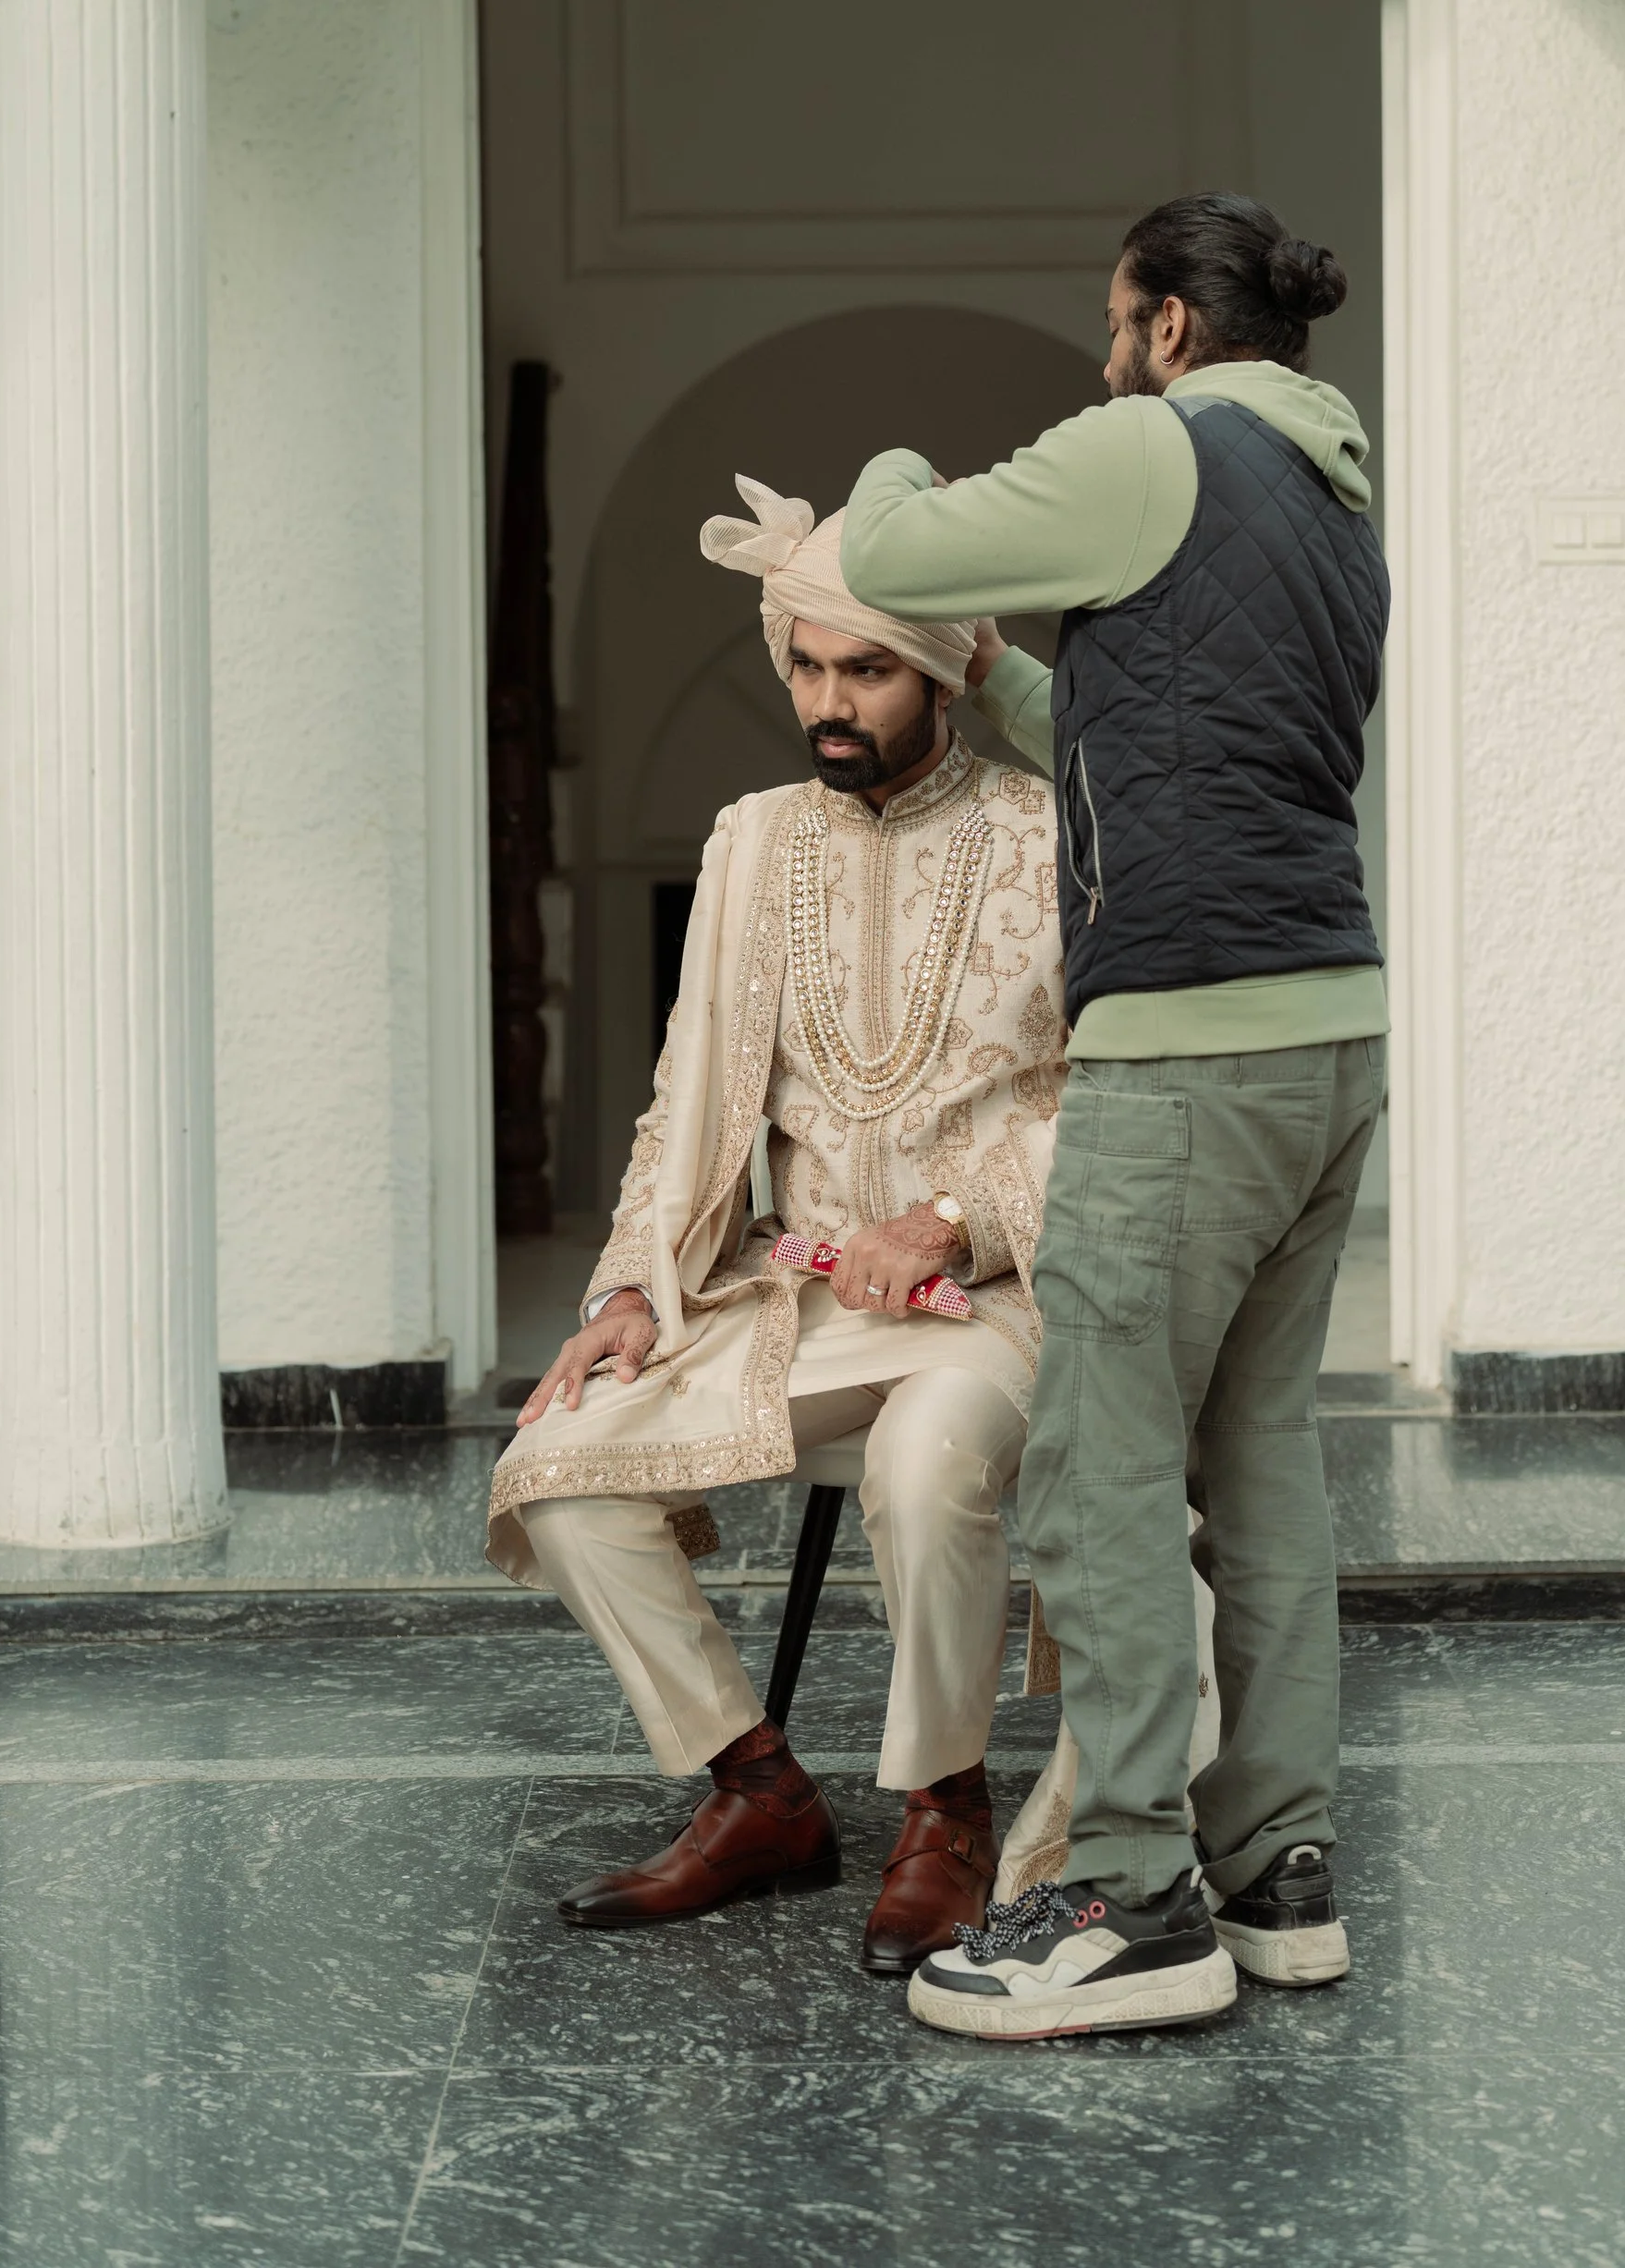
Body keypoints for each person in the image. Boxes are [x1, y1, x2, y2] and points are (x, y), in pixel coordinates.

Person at [839, 192, 1388, 2042]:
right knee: (1259, 1459)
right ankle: (1274, 1869)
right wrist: (1000, 677)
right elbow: (1142, 717)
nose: (1097, 354)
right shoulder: (1326, 493)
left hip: (1192, 1054)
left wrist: (888, 452)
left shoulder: (1150, 443)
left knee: (1090, 1468)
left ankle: (1130, 1895)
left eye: (1110, 322)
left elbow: (900, 547)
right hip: (1323, 1035)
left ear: (1166, 325)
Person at [487, 475, 1065, 1977]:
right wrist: (629, 1284)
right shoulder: (751, 840)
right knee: (554, 1463)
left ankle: (946, 1807)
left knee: (929, 1457)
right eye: (804, 665)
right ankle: (761, 1789)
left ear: (939, 667)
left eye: (864, 668)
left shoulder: (1044, 832)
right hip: (787, 1298)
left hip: (992, 1303)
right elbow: (687, 1092)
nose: (828, 699)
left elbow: (1121, 1097)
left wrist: (956, 1219)